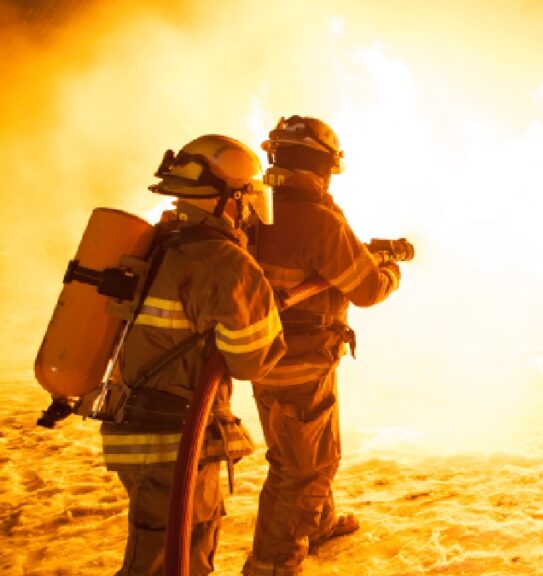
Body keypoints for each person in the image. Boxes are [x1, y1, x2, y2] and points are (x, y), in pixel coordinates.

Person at [99, 134, 287, 575]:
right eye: (245, 198)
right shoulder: (227, 264)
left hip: (131, 425)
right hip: (175, 440)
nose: (248, 211)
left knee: (166, 552)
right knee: (171, 559)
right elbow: (250, 361)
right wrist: (260, 303)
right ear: (230, 199)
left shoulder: (157, 244)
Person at [244, 115, 402, 575]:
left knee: (299, 450)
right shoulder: (317, 220)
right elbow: (367, 289)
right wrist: (390, 269)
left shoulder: (253, 210)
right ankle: (273, 564)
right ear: (323, 166)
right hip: (304, 362)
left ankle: (320, 524)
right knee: (305, 468)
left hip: (262, 357)